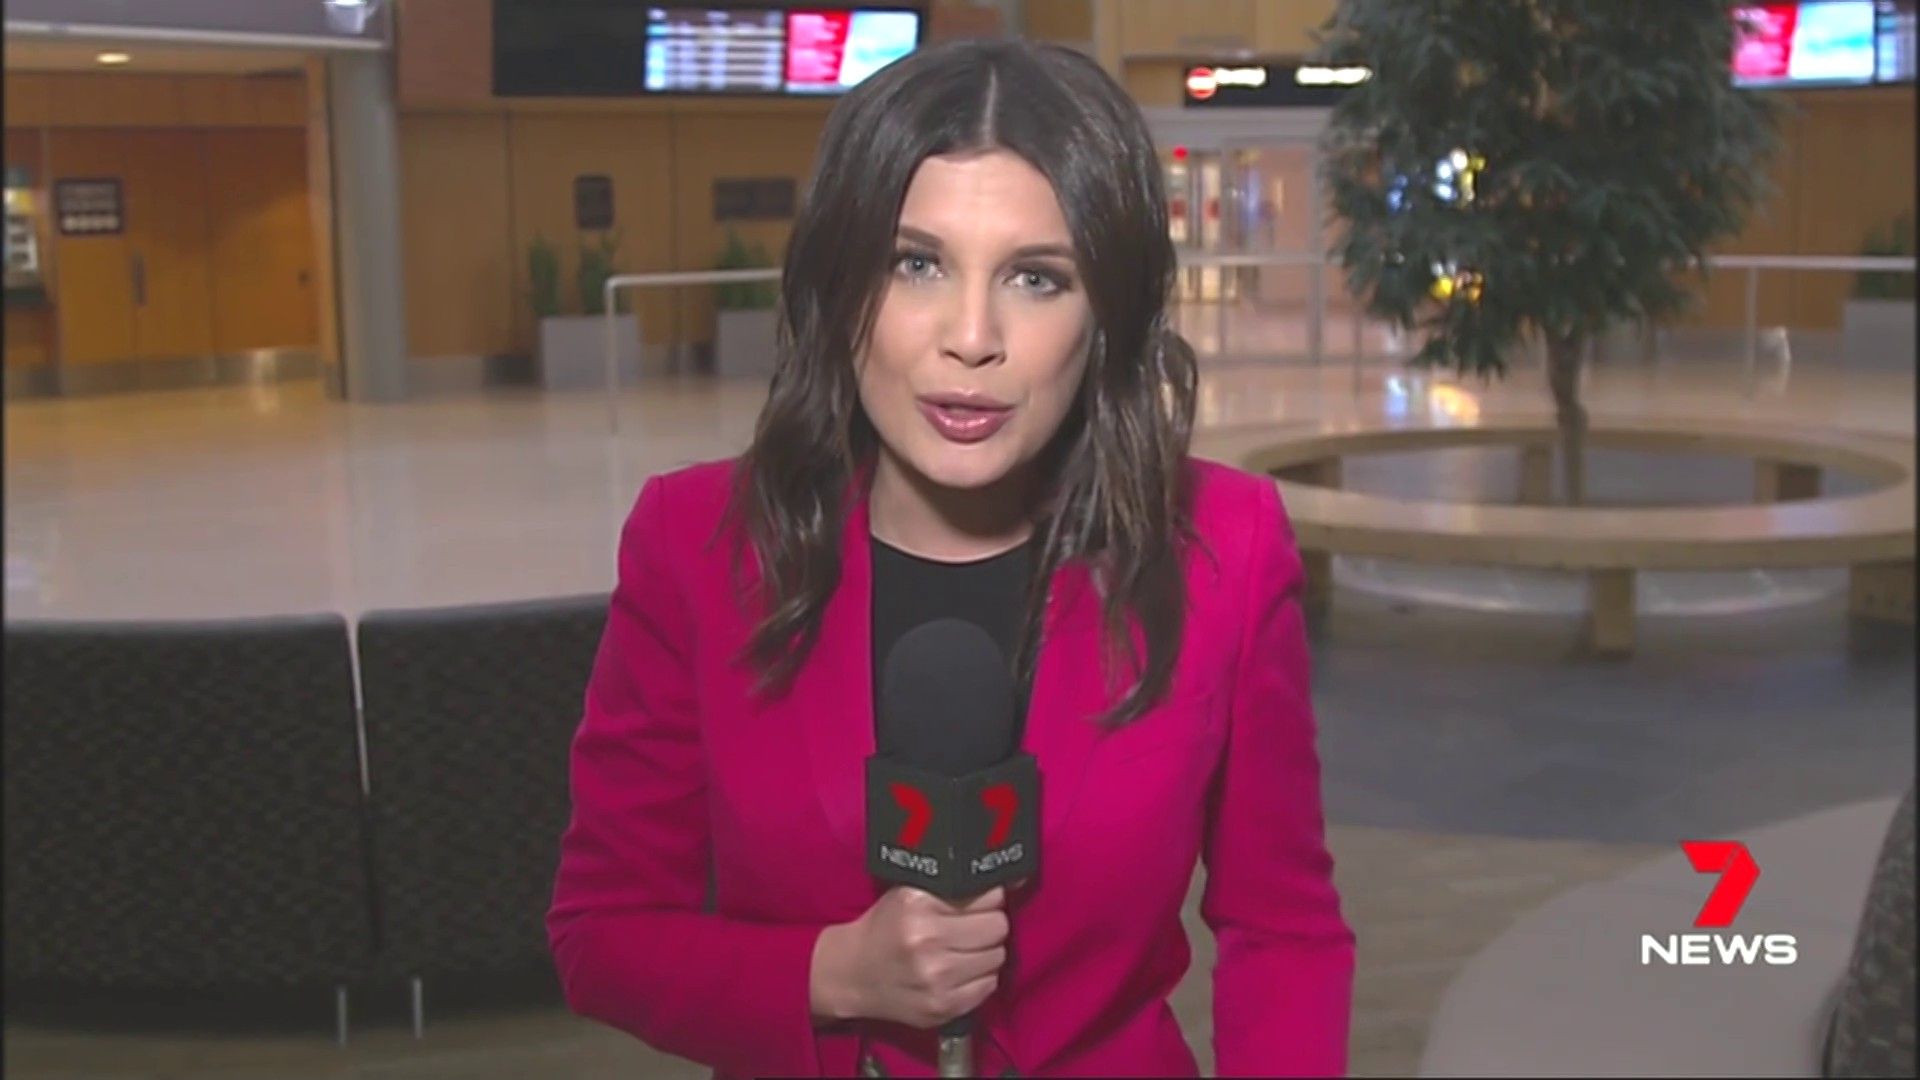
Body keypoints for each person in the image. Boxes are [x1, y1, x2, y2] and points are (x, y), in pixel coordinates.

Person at [548, 37, 1354, 1079]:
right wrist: (834, 974)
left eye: (1036, 277)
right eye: (916, 264)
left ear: (1106, 316)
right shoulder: (698, 545)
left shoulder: (1223, 554)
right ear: (841, 284)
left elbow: (1283, 929)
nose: (971, 337)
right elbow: (603, 934)